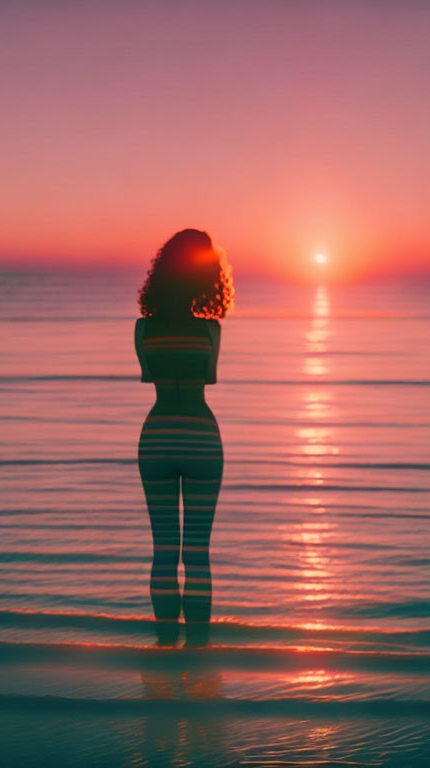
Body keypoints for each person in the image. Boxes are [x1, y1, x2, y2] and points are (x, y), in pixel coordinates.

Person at [135, 229, 234, 647]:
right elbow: (207, 379)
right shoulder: (210, 331)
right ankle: (197, 653)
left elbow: (150, 377)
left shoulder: (143, 330)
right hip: (201, 437)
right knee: (196, 554)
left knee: (163, 551)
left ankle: (163, 650)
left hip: (157, 437)